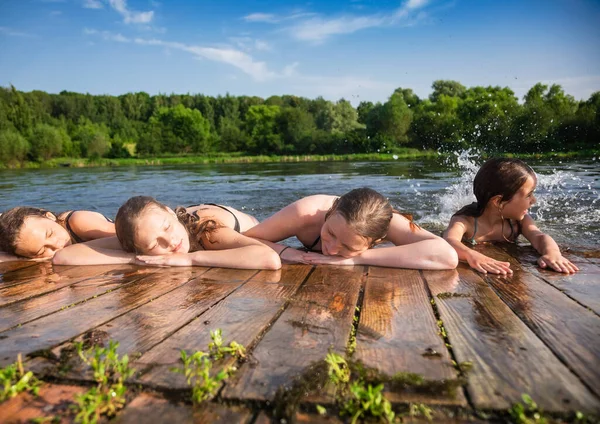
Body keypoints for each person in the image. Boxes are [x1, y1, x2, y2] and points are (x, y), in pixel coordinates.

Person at [243, 187, 458, 269]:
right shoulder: (304, 213)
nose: (332, 250)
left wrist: (356, 259)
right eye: (330, 233)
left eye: (348, 246)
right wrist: (287, 252)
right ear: (331, 212)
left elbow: (447, 256)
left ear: (378, 241)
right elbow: (244, 239)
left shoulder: (389, 222)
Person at [52, 196, 280, 270]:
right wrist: (140, 258)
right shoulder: (144, 235)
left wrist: (189, 259)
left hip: (247, 224)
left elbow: (269, 258)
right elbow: (64, 257)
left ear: (171, 213)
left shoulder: (207, 232)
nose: (170, 241)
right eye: (154, 244)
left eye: (167, 228)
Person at [443, 158, 579, 275]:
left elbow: (539, 236)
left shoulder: (519, 221)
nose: (534, 200)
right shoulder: (465, 221)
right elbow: (449, 241)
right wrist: (471, 255)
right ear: (498, 202)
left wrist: (553, 253)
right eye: (528, 195)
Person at [0, 207, 115, 262]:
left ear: (50, 216)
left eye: (50, 234)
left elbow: (129, 237)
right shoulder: (24, 245)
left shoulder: (79, 222)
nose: (56, 245)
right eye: (42, 251)